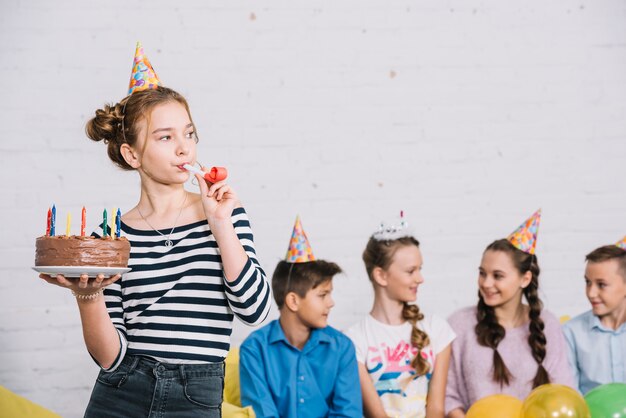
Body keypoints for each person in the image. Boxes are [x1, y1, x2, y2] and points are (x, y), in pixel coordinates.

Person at [38, 43, 271, 417]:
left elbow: (255, 310)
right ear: (132, 155)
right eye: (166, 137)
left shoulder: (226, 214)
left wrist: (220, 224)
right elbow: (110, 359)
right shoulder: (110, 238)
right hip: (121, 395)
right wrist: (88, 296)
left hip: (196, 395)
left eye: (189, 134)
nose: (184, 149)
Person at [445, 210, 574, 417]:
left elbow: (563, 391)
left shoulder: (547, 324)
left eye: (498, 276)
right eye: (482, 273)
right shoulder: (460, 325)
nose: (486, 283)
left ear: (525, 279)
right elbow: (448, 395)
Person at [239, 216, 362, 418]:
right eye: (323, 295)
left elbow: (347, 414)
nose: (331, 303)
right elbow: (262, 414)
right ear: (293, 301)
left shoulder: (342, 348)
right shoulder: (254, 350)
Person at [345, 214, 455, 418]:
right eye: (410, 271)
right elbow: (376, 415)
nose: (420, 279)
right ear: (381, 275)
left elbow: (436, 409)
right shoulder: (354, 340)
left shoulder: (436, 329)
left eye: (419, 269)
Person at [562, 237, 626, 394]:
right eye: (587, 282)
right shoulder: (570, 333)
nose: (591, 293)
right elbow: (571, 395)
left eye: (601, 284)